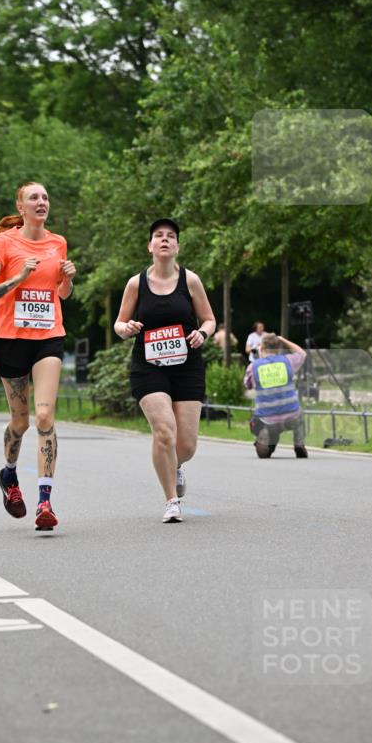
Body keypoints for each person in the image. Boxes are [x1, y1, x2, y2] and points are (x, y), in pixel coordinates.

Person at [0, 180, 76, 530]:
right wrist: (19, 276)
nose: (41, 201)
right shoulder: (5, 243)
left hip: (48, 337)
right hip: (10, 339)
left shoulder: (57, 243)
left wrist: (68, 279)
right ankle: (9, 475)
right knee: (21, 422)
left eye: (46, 196)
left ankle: (45, 502)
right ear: (20, 207)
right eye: (34, 197)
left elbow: (61, 294)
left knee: (45, 417)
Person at [114, 218, 216, 523]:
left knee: (185, 444)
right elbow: (119, 323)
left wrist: (204, 333)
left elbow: (209, 319)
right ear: (149, 246)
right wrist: (126, 328)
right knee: (163, 432)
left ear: (177, 246)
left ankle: (176, 463)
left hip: (187, 366)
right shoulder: (136, 283)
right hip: (148, 366)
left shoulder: (191, 280)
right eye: (158, 236)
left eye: (170, 236)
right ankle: (171, 500)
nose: (164, 240)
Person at [244, 332, 308, 458]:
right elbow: (302, 353)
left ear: (261, 348)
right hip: (291, 415)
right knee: (300, 419)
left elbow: (248, 384)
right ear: (279, 348)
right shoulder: (288, 361)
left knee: (260, 424)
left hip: (267, 418)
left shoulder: (254, 367)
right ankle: (299, 443)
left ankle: (265, 437)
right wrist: (283, 340)